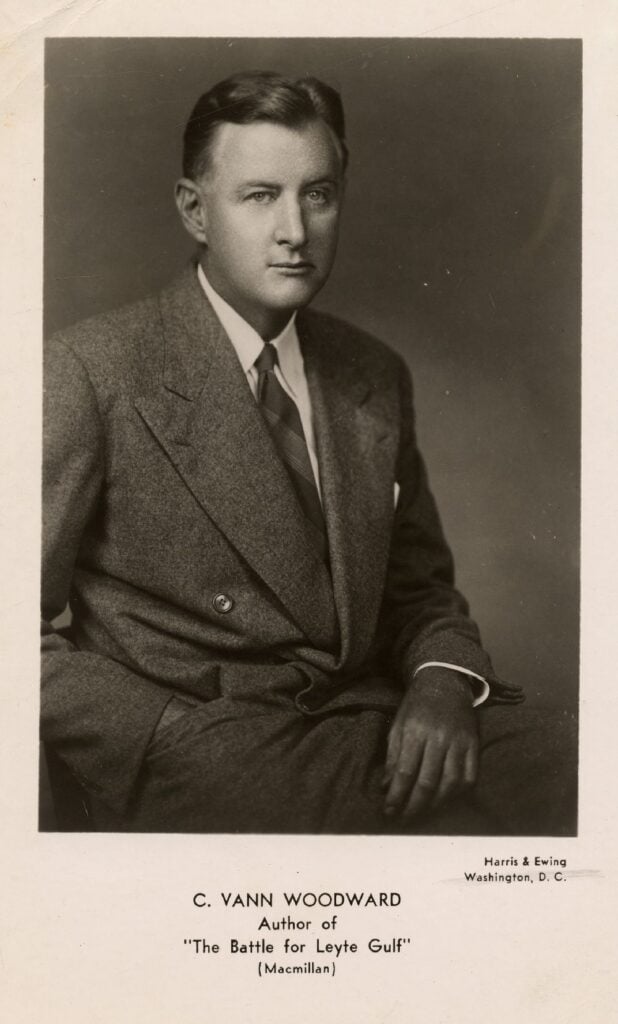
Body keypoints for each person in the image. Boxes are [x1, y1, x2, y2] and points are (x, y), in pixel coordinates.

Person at [41, 70, 576, 834]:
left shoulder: (371, 372)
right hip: (214, 751)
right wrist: (157, 735)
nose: (295, 229)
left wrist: (443, 681)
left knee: (582, 766)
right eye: (260, 196)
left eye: (317, 194)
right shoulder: (92, 371)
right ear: (194, 210)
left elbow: (418, 590)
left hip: (371, 718)